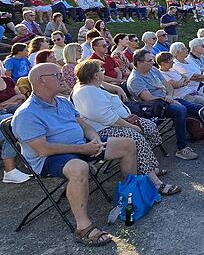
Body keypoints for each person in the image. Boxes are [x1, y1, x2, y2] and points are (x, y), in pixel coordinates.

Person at [11, 63, 138, 246]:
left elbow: (83, 125)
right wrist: (82, 150)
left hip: (80, 146)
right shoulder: (26, 114)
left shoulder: (62, 101)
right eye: (57, 75)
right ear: (42, 81)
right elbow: (43, 149)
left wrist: (95, 139)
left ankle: (129, 198)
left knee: (127, 144)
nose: (63, 77)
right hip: (49, 158)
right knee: (79, 167)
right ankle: (83, 228)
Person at [72, 59, 179, 195]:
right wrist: (131, 126)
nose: (103, 73)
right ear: (94, 75)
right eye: (101, 71)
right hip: (104, 129)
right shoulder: (86, 92)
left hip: (120, 121)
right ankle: (155, 182)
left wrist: (117, 88)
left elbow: (105, 86)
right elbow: (106, 117)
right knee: (137, 138)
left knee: (150, 127)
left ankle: (145, 165)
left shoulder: (94, 85)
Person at [127, 49, 203, 160]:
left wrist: (171, 97)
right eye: (149, 60)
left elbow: (168, 86)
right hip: (152, 107)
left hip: (167, 100)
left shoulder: (153, 70)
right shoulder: (135, 80)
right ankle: (182, 148)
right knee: (180, 109)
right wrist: (169, 100)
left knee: (199, 109)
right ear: (139, 63)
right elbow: (149, 99)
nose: (153, 62)